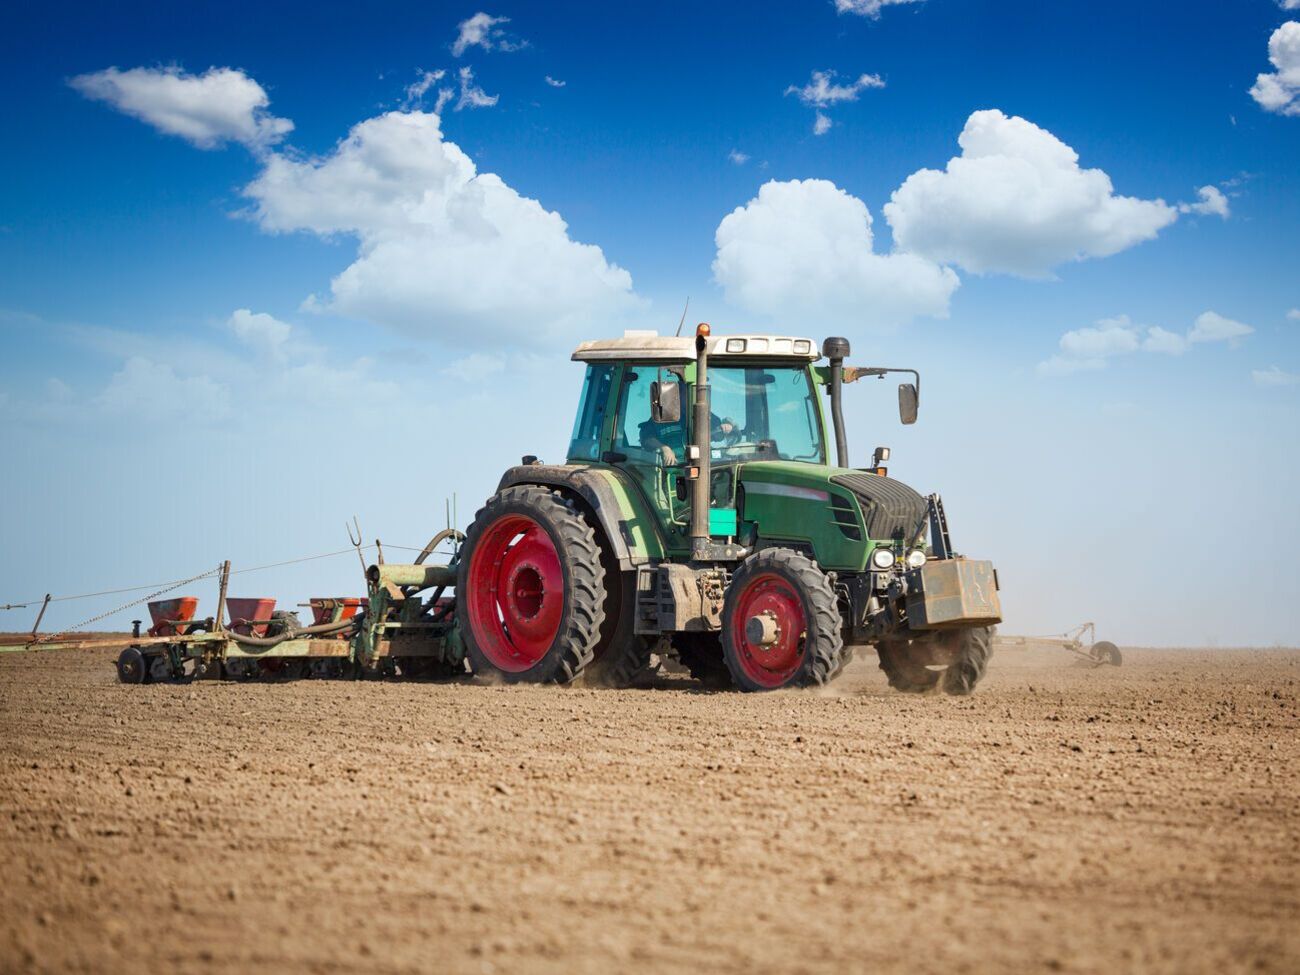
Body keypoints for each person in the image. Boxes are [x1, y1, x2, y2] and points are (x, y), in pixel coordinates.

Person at [640, 412, 736, 466]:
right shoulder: (657, 419)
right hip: (667, 467)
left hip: (695, 465)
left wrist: (726, 426)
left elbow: (714, 430)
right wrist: (665, 448)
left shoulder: (691, 412)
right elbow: (647, 439)